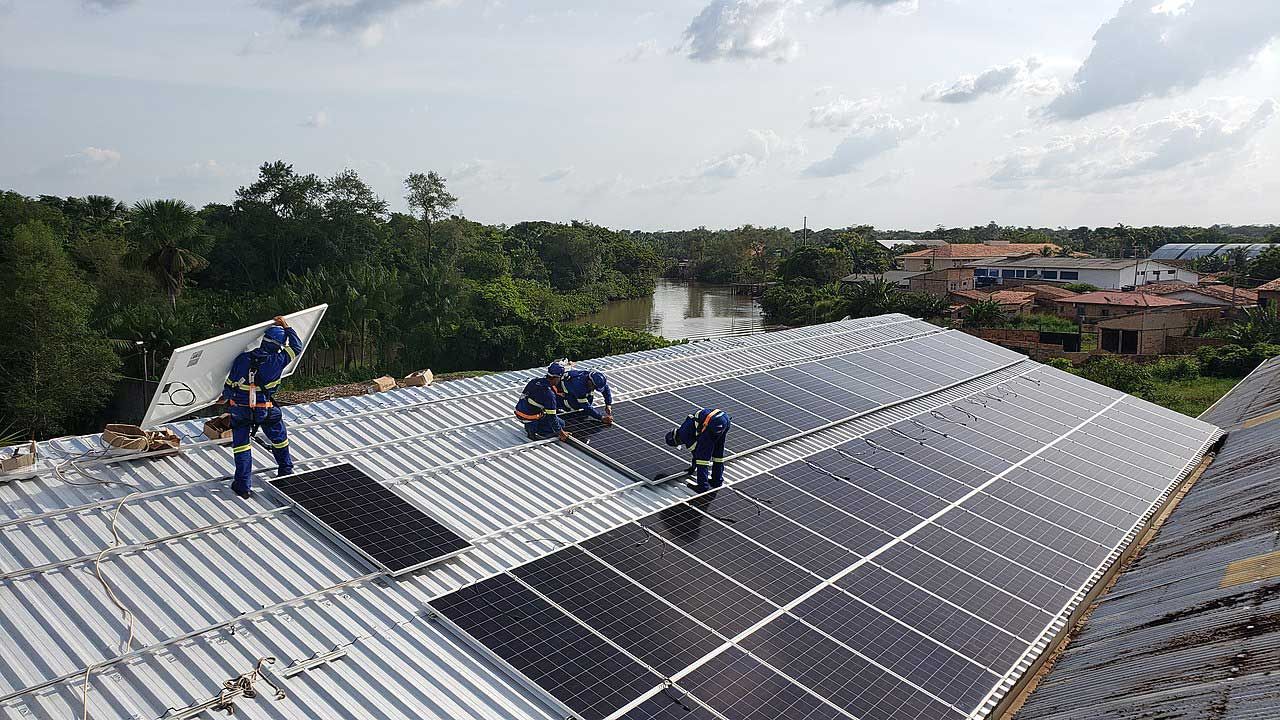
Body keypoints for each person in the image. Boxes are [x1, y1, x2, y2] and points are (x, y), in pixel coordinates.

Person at [221, 316, 302, 498]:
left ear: (264, 340)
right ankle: (286, 471)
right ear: (279, 345)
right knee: (279, 438)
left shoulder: (243, 359)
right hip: (264, 409)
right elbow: (297, 347)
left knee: (242, 446)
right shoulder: (278, 360)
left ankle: (242, 486)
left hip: (240, 410)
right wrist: (287, 327)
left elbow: (229, 385)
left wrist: (223, 397)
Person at [665, 408, 731, 492]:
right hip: (724, 419)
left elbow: (696, 453)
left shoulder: (683, 434)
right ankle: (717, 481)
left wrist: (693, 467)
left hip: (713, 423)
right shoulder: (686, 427)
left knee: (702, 459)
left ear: (675, 440)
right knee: (718, 454)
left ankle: (702, 486)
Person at [514, 362, 571, 441]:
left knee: (555, 419)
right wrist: (561, 433)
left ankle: (531, 425)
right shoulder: (549, 394)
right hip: (530, 418)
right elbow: (552, 418)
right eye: (560, 378)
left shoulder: (534, 381)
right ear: (556, 378)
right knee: (561, 424)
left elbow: (525, 396)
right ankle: (534, 429)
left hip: (519, 411)